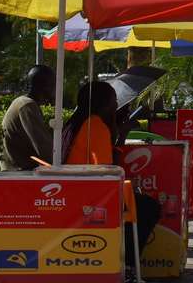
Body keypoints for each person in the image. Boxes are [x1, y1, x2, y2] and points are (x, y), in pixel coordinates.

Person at [64, 82, 161, 269]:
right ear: (104, 104)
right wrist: (121, 136)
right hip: (90, 196)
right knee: (148, 208)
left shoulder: (78, 121)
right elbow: (108, 172)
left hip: (76, 189)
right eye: (113, 101)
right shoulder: (96, 126)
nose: (116, 105)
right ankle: (129, 266)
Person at [0, 65, 54, 171]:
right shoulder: (27, 106)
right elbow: (44, 149)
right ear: (46, 86)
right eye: (53, 85)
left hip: (17, 170)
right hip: (17, 173)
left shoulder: (22, 102)